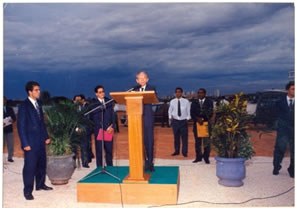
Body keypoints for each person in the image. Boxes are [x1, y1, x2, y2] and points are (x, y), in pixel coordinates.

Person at [17, 81, 53, 200]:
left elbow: (41, 123)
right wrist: (25, 143)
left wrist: (46, 136)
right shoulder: (24, 106)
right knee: (30, 167)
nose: (39, 92)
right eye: (36, 90)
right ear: (30, 92)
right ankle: (27, 191)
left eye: (39, 89)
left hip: (40, 141)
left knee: (42, 164)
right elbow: (21, 126)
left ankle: (40, 184)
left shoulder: (39, 104)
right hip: (30, 142)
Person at [132, 71, 156, 172]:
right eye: (139, 78)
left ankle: (150, 163)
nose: (142, 80)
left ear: (147, 79)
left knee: (149, 141)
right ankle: (140, 162)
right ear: (136, 80)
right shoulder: (134, 89)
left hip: (148, 119)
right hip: (136, 119)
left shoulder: (151, 88)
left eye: (144, 78)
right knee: (138, 141)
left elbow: (154, 99)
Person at [273, 81, 294, 178]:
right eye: (293, 89)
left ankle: (292, 170)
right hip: (283, 130)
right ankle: (276, 167)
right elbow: (274, 115)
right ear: (287, 90)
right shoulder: (279, 102)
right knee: (280, 149)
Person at [90, 85, 115, 167]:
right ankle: (100, 167)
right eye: (100, 92)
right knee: (99, 150)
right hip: (99, 130)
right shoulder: (93, 104)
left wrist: (112, 127)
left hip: (109, 130)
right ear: (96, 94)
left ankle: (110, 166)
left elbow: (113, 115)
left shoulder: (109, 101)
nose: (102, 93)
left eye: (103, 91)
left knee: (109, 150)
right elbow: (95, 118)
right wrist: (105, 128)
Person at [190, 88, 214, 164]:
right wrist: (197, 119)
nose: (200, 94)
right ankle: (198, 157)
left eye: (201, 93)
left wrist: (203, 119)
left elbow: (210, 112)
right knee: (197, 142)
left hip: (206, 124)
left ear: (205, 94)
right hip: (197, 124)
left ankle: (206, 157)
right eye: (198, 93)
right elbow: (192, 113)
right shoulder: (194, 102)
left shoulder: (209, 102)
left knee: (206, 142)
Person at [168, 87, 191, 157]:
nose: (178, 93)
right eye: (177, 92)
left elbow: (188, 112)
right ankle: (176, 151)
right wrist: (170, 118)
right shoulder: (172, 101)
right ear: (175, 93)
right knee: (176, 138)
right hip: (175, 122)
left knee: (184, 138)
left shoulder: (186, 101)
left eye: (179, 92)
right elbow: (170, 111)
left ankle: (184, 152)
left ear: (182, 93)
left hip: (183, 122)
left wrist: (187, 119)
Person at [3, 96, 16, 162]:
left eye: (4, 100)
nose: (3, 101)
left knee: (10, 144)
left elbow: (14, 118)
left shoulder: (10, 109)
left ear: (6, 101)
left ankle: (10, 157)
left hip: (9, 129)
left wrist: (11, 120)